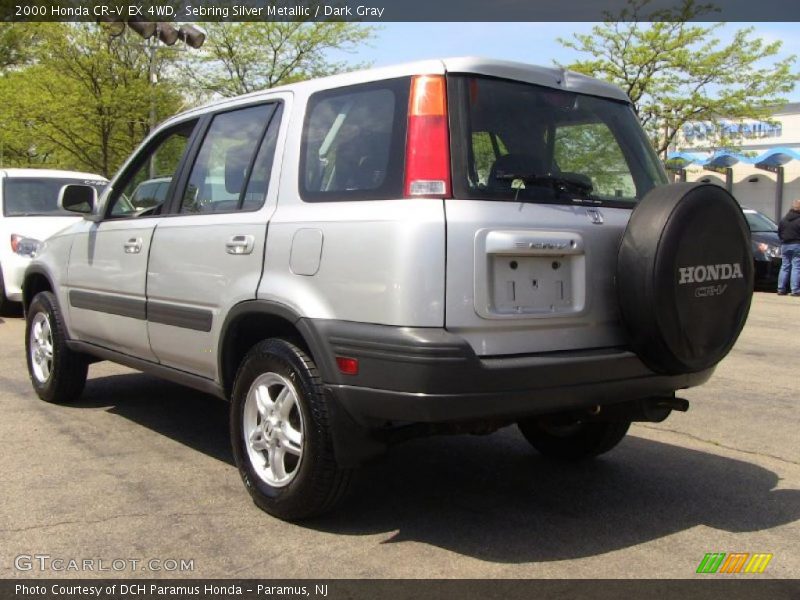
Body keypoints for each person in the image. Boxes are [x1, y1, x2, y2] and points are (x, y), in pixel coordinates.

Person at [777, 199, 800, 296]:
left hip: (785, 245)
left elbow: (779, 232)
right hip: (797, 244)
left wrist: (783, 240)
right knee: (796, 267)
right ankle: (795, 290)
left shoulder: (783, 219)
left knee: (784, 267)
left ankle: (781, 289)